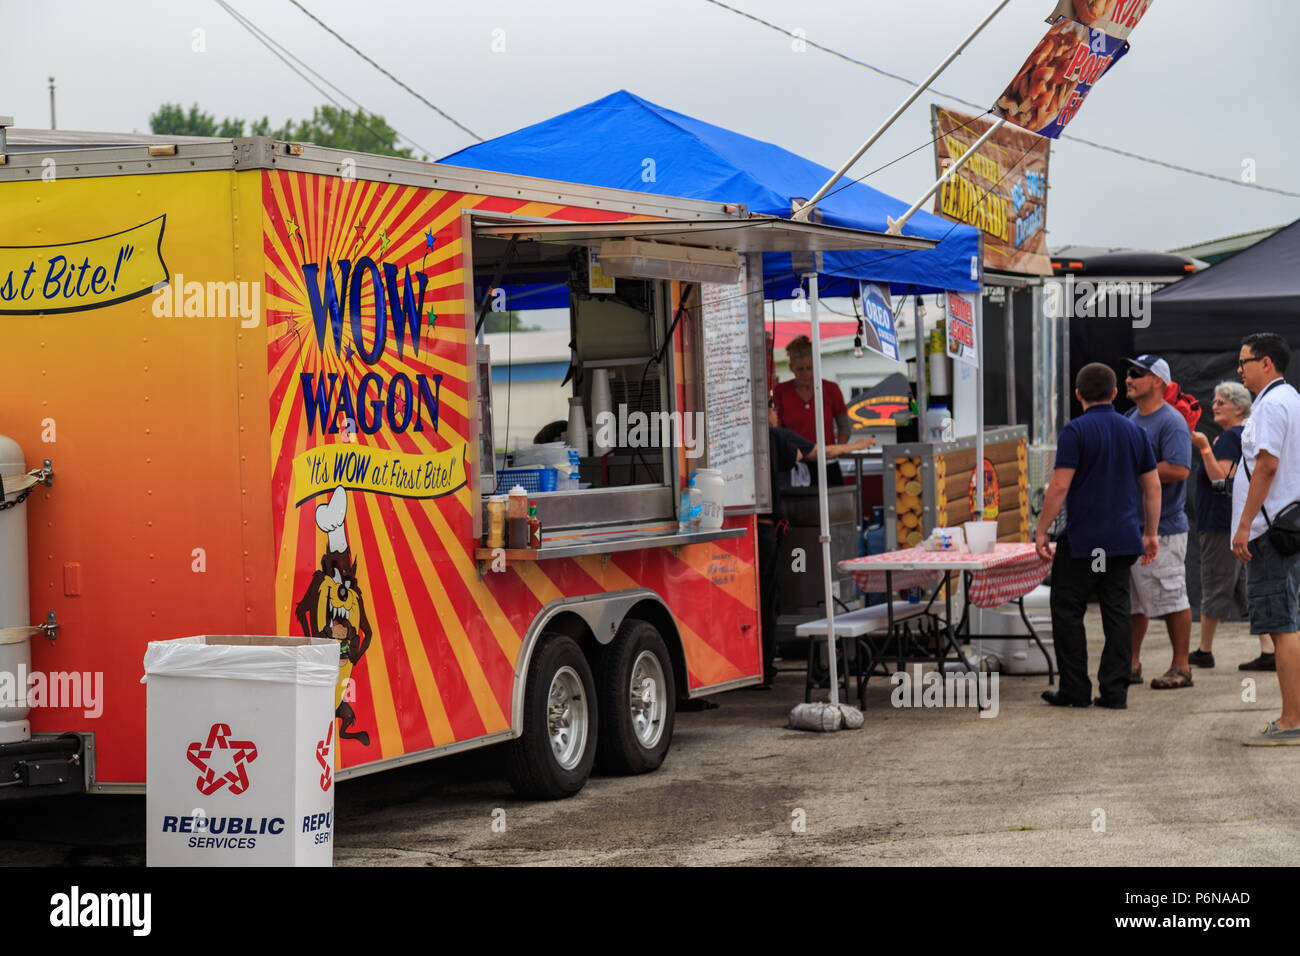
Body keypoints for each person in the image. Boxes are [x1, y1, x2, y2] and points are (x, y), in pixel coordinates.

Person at [1035, 363, 1160, 709]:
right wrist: (1150, 533)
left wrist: (1042, 528)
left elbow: (1060, 485)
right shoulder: (1135, 431)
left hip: (1086, 540)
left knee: (1067, 610)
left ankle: (1075, 689)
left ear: (1078, 395)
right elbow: (1152, 486)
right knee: (1117, 611)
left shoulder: (1075, 432)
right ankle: (1115, 691)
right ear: (1115, 393)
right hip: (1121, 539)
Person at [756, 402, 873, 688]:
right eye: (772, 407)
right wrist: (856, 445)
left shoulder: (739, 440)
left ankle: (750, 667)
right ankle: (764, 668)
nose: (776, 412)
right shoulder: (775, 437)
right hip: (765, 530)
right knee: (767, 601)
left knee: (751, 602)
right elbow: (822, 452)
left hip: (738, 532)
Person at [1231, 334, 1300, 745]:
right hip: (1282, 524)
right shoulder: (1288, 398)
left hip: (1269, 531)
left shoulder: (1272, 404)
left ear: (1267, 363)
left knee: (1281, 626)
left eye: (1245, 362)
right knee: (1286, 623)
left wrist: (1244, 524)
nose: (1239, 370)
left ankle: (1292, 720)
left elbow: (1268, 466)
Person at [1123, 354, 1195, 689]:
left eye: (1137, 373)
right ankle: (1131, 664)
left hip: (1163, 529)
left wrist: (1133, 470)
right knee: (1134, 600)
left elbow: (1180, 468)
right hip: (1131, 526)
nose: (1128, 378)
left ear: (1157, 381)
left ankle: (1182, 667)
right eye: (1128, 372)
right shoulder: (1129, 417)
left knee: (1172, 598)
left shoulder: (1172, 422)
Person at [1189, 383, 1272, 670]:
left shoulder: (1227, 439)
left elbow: (1221, 481)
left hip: (1221, 523)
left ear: (1239, 407)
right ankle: (1269, 649)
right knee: (1244, 588)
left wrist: (1203, 449)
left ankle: (1204, 650)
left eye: (1221, 402)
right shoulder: (1247, 436)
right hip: (1236, 522)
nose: (1214, 406)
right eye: (1214, 401)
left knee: (1214, 582)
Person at [772, 335, 851, 448]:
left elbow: (844, 427)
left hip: (827, 459)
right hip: (795, 461)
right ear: (791, 368)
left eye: (810, 368)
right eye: (800, 369)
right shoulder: (781, 391)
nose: (805, 374)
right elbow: (777, 430)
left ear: (817, 366)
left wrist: (836, 451)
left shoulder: (831, 389)